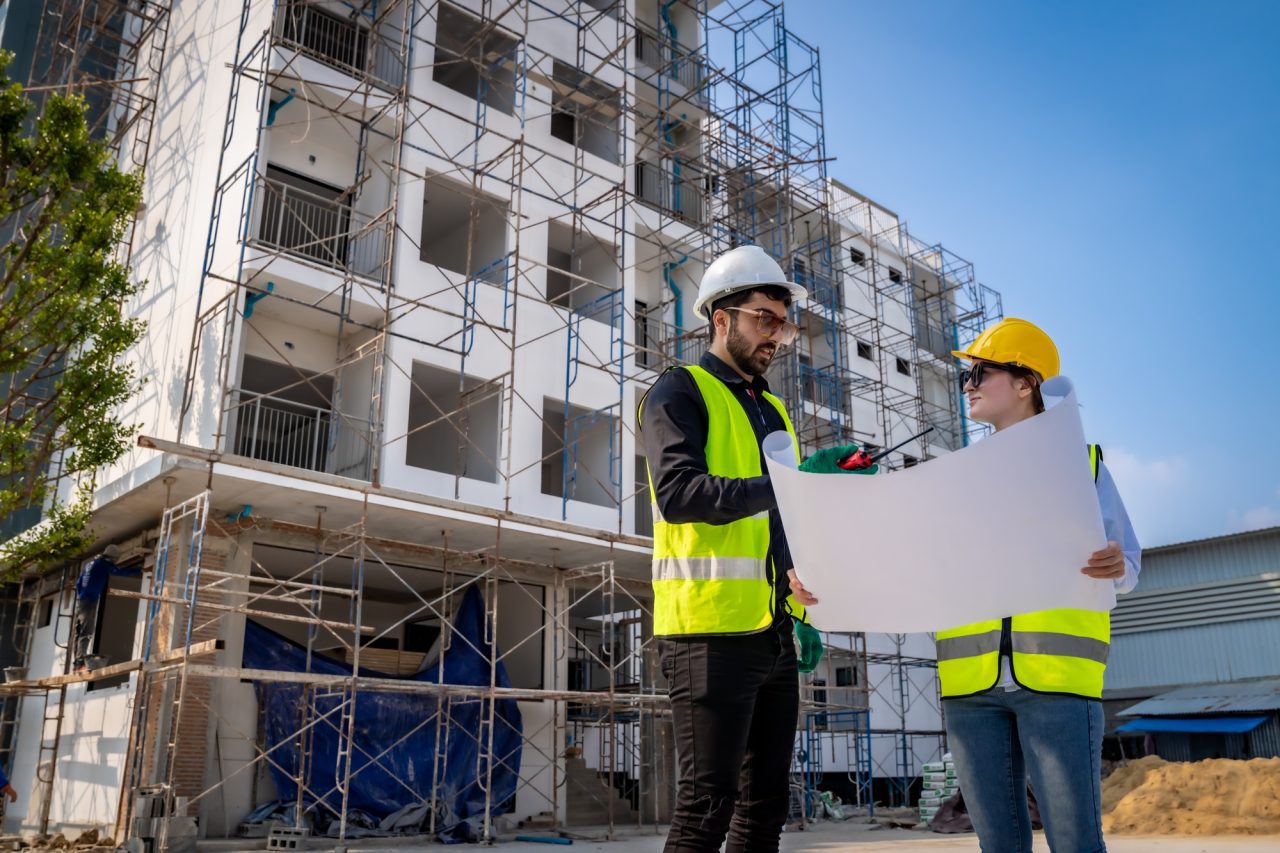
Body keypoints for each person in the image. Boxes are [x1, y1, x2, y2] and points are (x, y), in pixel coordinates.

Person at [791, 318, 1140, 853]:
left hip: (1057, 683)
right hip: (969, 689)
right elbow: (907, 562)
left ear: (1027, 383)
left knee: (1075, 842)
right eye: (964, 377)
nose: (968, 385)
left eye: (980, 372)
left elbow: (1130, 564)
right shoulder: (955, 477)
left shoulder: (1082, 465)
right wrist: (824, 577)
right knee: (998, 845)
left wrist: (1117, 563)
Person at [638, 245, 873, 852]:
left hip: (773, 633)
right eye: (764, 319)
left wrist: (801, 571)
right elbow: (679, 493)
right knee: (705, 805)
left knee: (767, 805)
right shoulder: (678, 391)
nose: (777, 335)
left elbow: (781, 518)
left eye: (783, 324)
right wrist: (788, 485)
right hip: (707, 633)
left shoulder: (773, 410)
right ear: (723, 318)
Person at [72, 544, 136, 670]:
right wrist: (139, 570)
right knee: (87, 631)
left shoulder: (90, 564)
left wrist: (84, 594)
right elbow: (119, 571)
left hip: (81, 600)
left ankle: (78, 661)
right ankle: (80, 662)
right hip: (90, 600)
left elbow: (78, 583)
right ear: (113, 557)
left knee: (79, 631)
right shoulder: (105, 564)